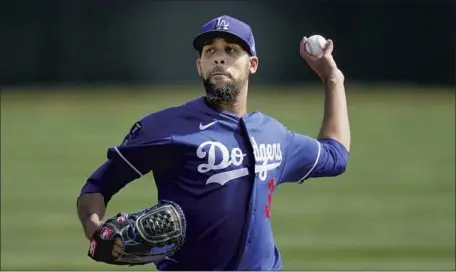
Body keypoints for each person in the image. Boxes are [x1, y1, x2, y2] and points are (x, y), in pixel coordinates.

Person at [76, 15, 350, 271]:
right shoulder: (165, 127)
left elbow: (335, 155)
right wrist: (94, 228)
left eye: (231, 50)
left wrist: (332, 79)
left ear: (252, 64)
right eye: (210, 51)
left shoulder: (274, 135)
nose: (219, 58)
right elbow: (98, 186)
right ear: (200, 66)